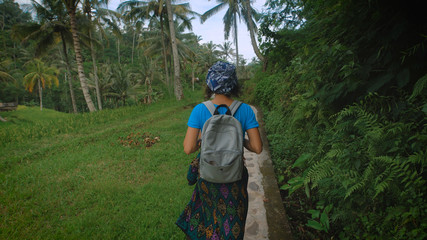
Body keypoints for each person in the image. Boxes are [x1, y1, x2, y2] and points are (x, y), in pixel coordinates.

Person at [176, 61, 262, 239]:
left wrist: (203, 139)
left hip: (208, 178)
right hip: (235, 178)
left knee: (209, 220)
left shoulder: (200, 110)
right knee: (232, 225)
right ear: (234, 83)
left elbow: (188, 148)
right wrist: (240, 140)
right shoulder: (245, 110)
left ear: (210, 83)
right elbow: (257, 148)